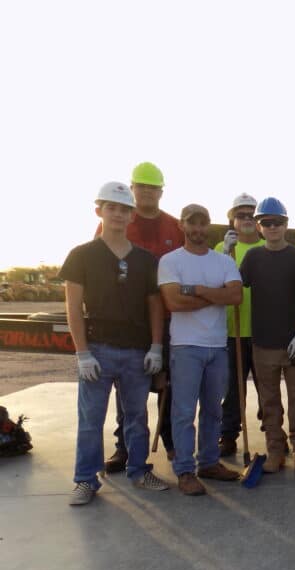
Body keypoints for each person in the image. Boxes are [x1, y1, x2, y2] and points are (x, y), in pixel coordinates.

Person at [61, 182, 169, 505]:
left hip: (136, 351)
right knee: (91, 419)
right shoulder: (82, 255)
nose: (118, 214)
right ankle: (85, 480)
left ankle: (138, 470)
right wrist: (82, 353)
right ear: (99, 211)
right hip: (98, 350)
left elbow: (154, 305)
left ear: (131, 215)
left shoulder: (146, 260)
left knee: (136, 417)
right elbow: (73, 307)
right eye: (112, 208)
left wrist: (155, 346)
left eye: (124, 209)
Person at [103, 161, 184, 474]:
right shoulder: (118, 223)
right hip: (127, 321)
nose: (148, 192)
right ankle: (124, 448)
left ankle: (173, 444)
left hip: (167, 318)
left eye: (153, 187)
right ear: (133, 188)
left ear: (161, 191)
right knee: (127, 389)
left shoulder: (174, 226)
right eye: (142, 186)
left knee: (169, 386)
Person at [158, 204, 244, 495]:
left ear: (209, 225)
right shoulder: (171, 261)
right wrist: (215, 295)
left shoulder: (223, 261)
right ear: (182, 226)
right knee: (183, 412)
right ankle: (184, 470)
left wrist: (196, 289)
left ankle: (208, 462)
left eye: (202, 223)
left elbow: (235, 296)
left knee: (212, 411)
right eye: (191, 223)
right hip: (185, 347)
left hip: (217, 346)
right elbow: (173, 302)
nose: (197, 229)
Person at [240, 198, 295, 474]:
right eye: (267, 223)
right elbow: (236, 284)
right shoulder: (252, 257)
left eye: (277, 222)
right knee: (269, 400)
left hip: (291, 341)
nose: (272, 227)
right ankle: (275, 451)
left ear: (286, 224)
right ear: (259, 227)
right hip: (262, 342)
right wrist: (226, 251)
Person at [217, 193, 264, 457]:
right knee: (233, 390)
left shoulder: (266, 245)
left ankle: (273, 432)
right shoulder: (221, 248)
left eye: (251, 215)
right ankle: (228, 434)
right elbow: (212, 283)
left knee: (266, 389)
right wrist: (223, 255)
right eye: (241, 215)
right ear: (232, 219)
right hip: (231, 332)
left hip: (262, 331)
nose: (246, 220)